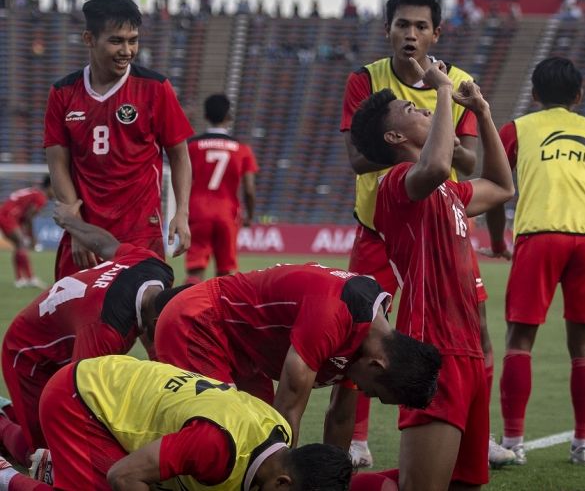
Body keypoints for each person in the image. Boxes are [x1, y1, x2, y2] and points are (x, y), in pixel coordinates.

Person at [340, 0, 510, 469]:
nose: (409, 34)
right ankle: (353, 438)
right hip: (431, 331)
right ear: (388, 29)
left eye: (420, 26)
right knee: (364, 328)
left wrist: (483, 112)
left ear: (435, 32)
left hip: (462, 344)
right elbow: (417, 164)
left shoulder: (447, 192)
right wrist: (438, 98)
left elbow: (497, 182)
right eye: (401, 24)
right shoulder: (400, 179)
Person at [485, 57, 585, 466]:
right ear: (579, 95)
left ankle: (514, 443)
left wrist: (497, 240)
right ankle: (583, 445)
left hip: (541, 234)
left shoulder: (518, 129)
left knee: (520, 340)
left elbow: (496, 187)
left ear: (534, 94)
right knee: (584, 345)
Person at [154, 262, 441, 448]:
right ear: (378, 365)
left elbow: (340, 418)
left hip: (246, 351)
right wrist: (287, 478)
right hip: (200, 321)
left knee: (254, 439)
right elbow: (288, 409)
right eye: (376, 393)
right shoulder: (333, 315)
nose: (367, 395)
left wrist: (332, 478)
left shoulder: (372, 342)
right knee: (217, 436)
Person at [0, 355, 352, 491]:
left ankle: (40, 451)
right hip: (79, 398)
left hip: (121, 390)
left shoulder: (280, 431)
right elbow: (122, 476)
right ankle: (6, 475)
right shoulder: (215, 445)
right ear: (283, 483)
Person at [0, 202, 174, 468]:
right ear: (153, 321)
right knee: (48, 456)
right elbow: (72, 396)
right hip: (27, 353)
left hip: (67, 336)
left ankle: (15, 413)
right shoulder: (106, 329)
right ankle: (1, 421)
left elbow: (107, 245)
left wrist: (71, 221)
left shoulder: (153, 266)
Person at [44, 0, 194, 281]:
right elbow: (57, 163)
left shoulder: (155, 88)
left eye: (133, 41)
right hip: (85, 234)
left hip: (140, 233)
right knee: (75, 323)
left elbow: (180, 155)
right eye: (116, 41)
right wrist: (75, 227)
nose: (127, 51)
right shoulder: (62, 93)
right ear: (89, 39)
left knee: (141, 319)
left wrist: (182, 213)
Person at [184, 94, 258, 284]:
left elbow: (182, 178)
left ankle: (187, 310)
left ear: (206, 116)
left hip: (198, 211)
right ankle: (221, 312)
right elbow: (249, 189)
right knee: (226, 272)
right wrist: (250, 215)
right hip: (227, 213)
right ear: (229, 117)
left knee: (195, 269)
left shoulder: (192, 146)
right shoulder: (242, 149)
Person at [0, 176, 53, 288]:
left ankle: (21, 279)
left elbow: (24, 215)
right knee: (21, 243)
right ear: (50, 187)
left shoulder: (35, 192)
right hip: (8, 216)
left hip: (7, 214)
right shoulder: (41, 197)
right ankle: (30, 278)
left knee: (19, 245)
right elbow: (29, 217)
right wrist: (32, 236)